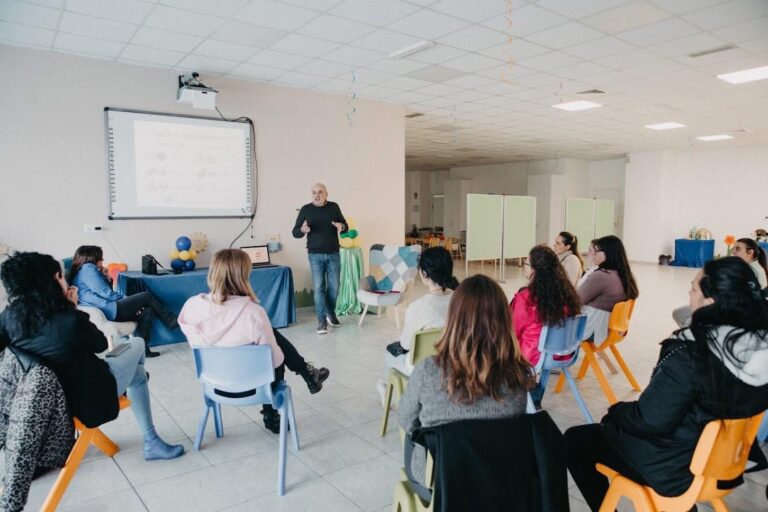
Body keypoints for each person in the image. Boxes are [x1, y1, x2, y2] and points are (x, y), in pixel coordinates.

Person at [565, 256, 768, 511]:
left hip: (673, 468)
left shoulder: (693, 354)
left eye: (694, 288)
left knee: (576, 440)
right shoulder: (756, 349)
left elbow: (649, 420)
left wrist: (615, 412)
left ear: (712, 301)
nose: (689, 293)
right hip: (721, 467)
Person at [0, 252, 184, 460]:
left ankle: (150, 435)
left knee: (138, 372)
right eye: (60, 277)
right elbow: (99, 344)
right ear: (49, 283)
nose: (64, 281)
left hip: (48, 407)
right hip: (88, 400)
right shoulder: (69, 318)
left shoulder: (7, 319)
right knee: (137, 343)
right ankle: (150, 440)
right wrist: (72, 307)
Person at [397, 274, 534, 484]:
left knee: (412, 436)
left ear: (454, 317)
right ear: (504, 319)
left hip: (440, 479)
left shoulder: (429, 369)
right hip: (497, 477)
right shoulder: (518, 374)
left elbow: (405, 419)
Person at [178, 249, 330, 434]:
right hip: (254, 389)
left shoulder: (192, 306)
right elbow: (276, 360)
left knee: (270, 337)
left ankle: (307, 372)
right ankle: (273, 414)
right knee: (273, 353)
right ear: (243, 276)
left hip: (214, 386)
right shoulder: (253, 313)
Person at [375, 247, 458, 403]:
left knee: (390, 353)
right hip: (455, 362)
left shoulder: (419, 306)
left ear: (424, 273)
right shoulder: (460, 299)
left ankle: (389, 394)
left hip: (424, 367)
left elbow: (406, 344)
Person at [68, 245, 177, 357]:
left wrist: (106, 277)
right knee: (146, 296)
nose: (103, 260)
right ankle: (171, 320)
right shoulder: (88, 268)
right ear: (93, 257)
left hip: (105, 311)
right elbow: (106, 292)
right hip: (109, 310)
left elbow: (101, 291)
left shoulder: (80, 271)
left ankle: (143, 349)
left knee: (148, 311)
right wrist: (125, 299)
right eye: (101, 258)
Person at [510, 245, 581, 367]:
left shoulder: (526, 298)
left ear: (534, 270)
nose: (524, 267)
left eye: (526, 264)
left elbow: (513, 331)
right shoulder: (567, 293)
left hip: (530, 355)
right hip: (563, 353)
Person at [672, 237, 768, 328]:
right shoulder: (745, 268)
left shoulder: (751, 270)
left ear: (750, 252)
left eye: (737, 249)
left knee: (689, 319)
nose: (733, 252)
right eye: (733, 248)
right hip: (729, 307)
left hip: (737, 312)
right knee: (680, 314)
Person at [291, 183, 348, 335]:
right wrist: (302, 230)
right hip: (315, 255)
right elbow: (295, 232)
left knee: (335, 287)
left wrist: (341, 226)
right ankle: (321, 321)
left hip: (333, 253)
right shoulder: (306, 209)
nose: (317, 195)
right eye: (314, 192)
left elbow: (345, 226)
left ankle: (330, 312)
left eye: (320, 192)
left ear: (326, 194)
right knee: (319, 288)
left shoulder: (334, 207)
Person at [577, 235, 639, 342]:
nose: (593, 255)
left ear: (607, 253)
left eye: (596, 251)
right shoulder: (623, 275)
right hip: (611, 330)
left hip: (591, 330)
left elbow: (575, 300)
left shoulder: (601, 276)